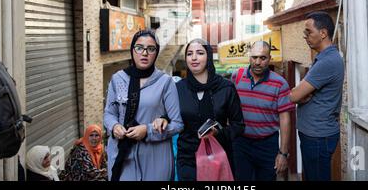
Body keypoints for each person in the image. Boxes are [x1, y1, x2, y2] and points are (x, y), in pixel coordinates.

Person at [156, 38, 244, 181]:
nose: (194, 58)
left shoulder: (226, 88)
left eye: (200, 53)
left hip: (217, 157)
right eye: (189, 53)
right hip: (187, 159)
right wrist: (163, 119)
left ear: (208, 56)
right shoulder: (178, 88)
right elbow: (170, 114)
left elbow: (239, 126)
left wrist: (218, 132)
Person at [103, 29, 183, 181]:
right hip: (122, 156)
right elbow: (109, 113)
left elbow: (178, 124)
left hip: (155, 159)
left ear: (156, 52)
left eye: (151, 49)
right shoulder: (118, 79)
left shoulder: (165, 82)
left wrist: (147, 130)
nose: (144, 53)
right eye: (139, 48)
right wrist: (114, 126)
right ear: (132, 50)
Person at [289, 11, 344, 181]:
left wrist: (300, 94)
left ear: (323, 33)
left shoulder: (327, 61)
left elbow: (294, 96)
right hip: (315, 134)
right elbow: (300, 94)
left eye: (308, 32)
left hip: (318, 137)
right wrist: (303, 94)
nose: (305, 36)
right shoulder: (323, 58)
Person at [231, 41, 295, 181]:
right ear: (249, 57)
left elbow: (285, 119)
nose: (258, 62)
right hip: (241, 143)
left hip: (267, 144)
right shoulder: (237, 76)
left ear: (269, 59)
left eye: (263, 58)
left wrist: (283, 153)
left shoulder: (280, 83)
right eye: (254, 57)